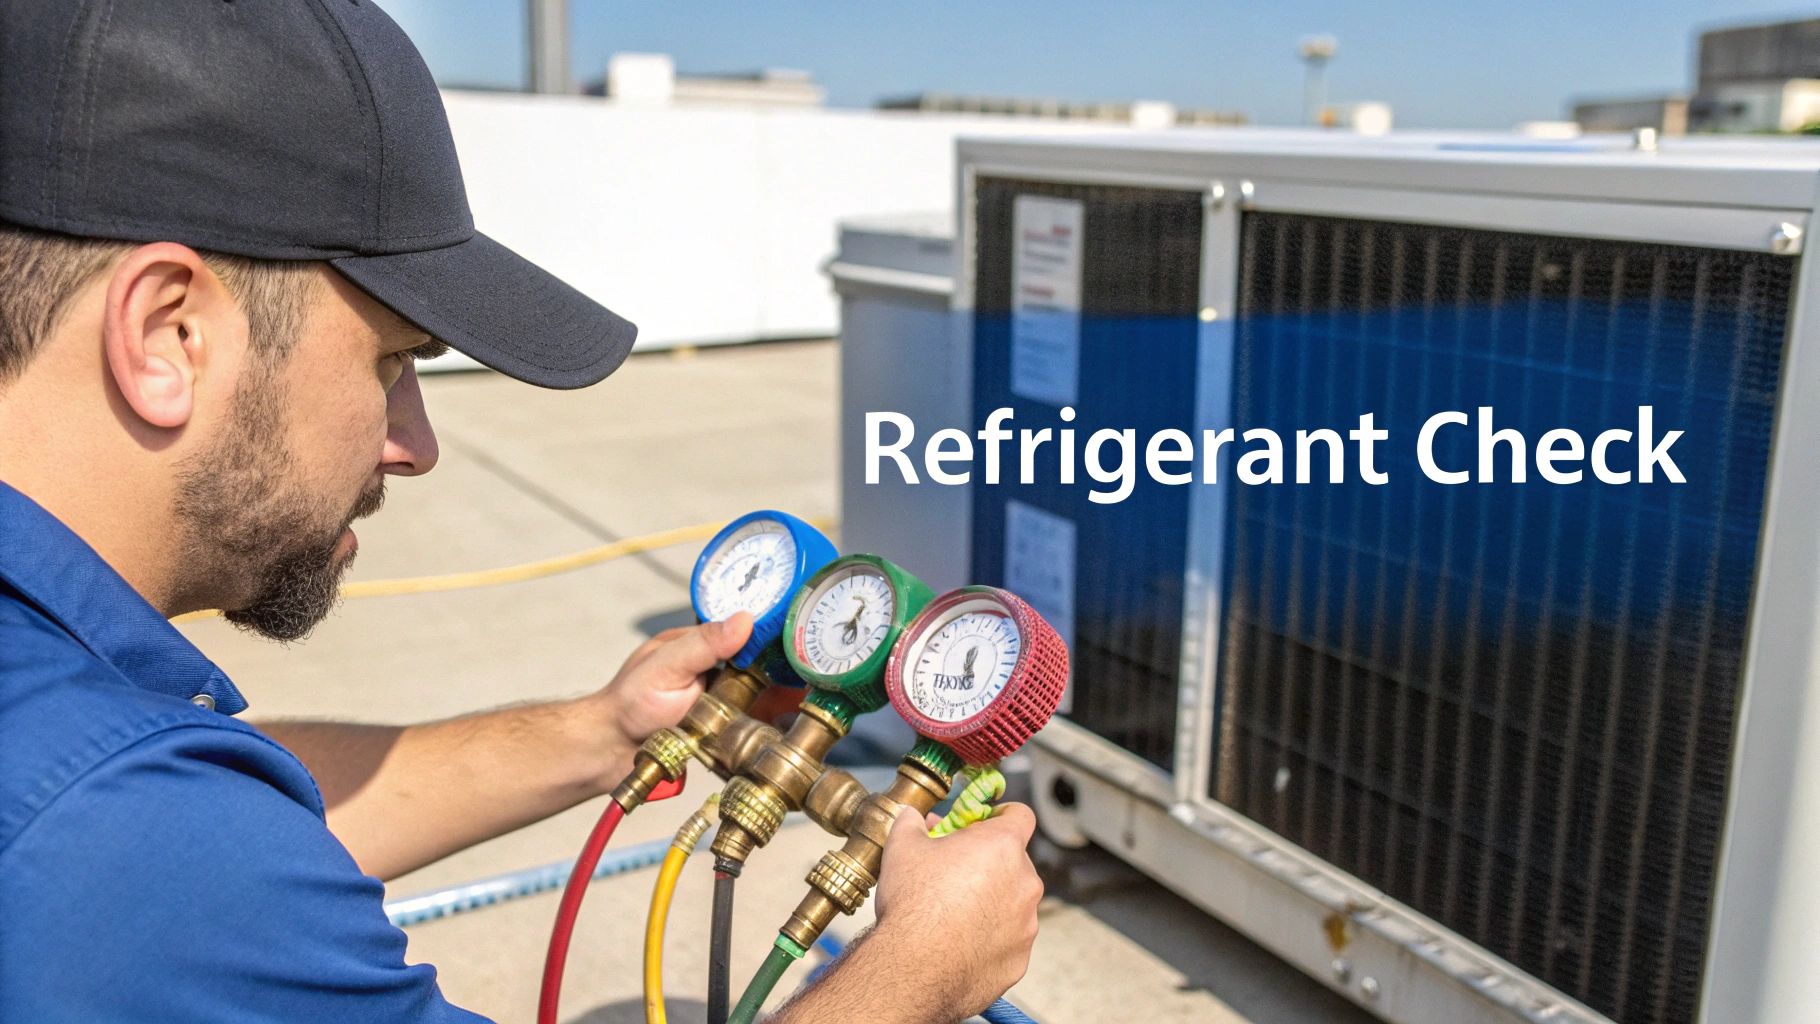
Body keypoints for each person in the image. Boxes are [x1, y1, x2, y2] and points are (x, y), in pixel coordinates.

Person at [0, 3, 1043, 1022]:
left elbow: (217, 805)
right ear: (167, 334)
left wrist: (599, 733)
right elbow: (168, 850)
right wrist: (917, 975)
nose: (416, 443)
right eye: (392, 361)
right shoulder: (121, 840)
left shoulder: (79, 739)